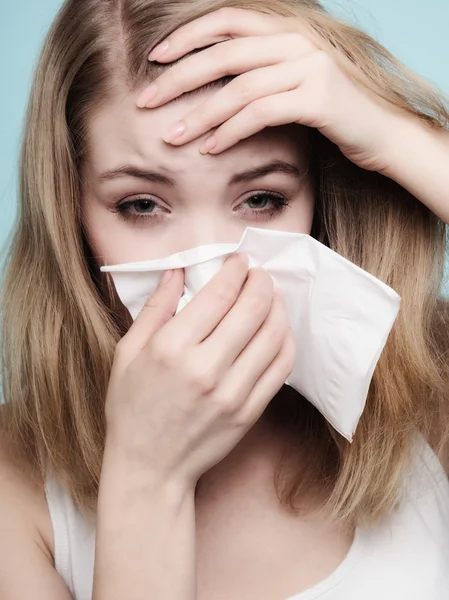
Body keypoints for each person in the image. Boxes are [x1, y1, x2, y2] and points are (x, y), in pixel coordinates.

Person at [1, 0, 449, 598]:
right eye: (141, 205)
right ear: (70, 213)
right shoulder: (15, 481)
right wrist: (147, 481)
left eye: (261, 199)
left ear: (320, 197)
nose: (211, 272)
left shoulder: (431, 383)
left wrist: (397, 135)